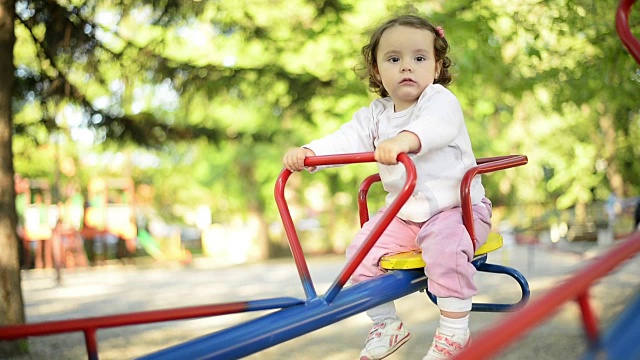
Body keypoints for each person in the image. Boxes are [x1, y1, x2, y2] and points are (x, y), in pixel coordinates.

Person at [283, 14, 492, 360]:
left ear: (437, 67)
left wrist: (405, 141)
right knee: (360, 252)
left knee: (445, 247)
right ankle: (385, 323)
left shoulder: (439, 101)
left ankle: (455, 333)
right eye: (394, 59)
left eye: (419, 58)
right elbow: (346, 138)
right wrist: (311, 152)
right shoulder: (376, 114)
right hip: (405, 216)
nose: (407, 67)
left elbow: (438, 126)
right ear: (378, 71)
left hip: (458, 211)